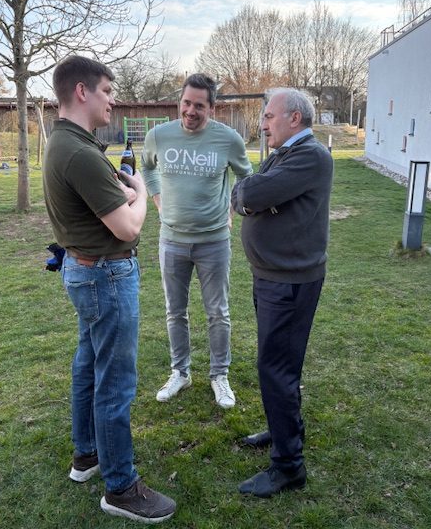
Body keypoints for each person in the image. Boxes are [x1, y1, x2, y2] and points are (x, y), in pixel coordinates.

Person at [42, 55, 176, 524]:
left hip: (85, 271)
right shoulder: (80, 152)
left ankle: (87, 455)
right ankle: (120, 487)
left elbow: (106, 209)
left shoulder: (64, 142)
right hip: (106, 276)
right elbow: (127, 228)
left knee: (88, 365)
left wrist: (125, 196)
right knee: (114, 382)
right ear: (82, 91)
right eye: (107, 91)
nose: (112, 100)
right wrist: (140, 194)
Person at [231, 87, 333, 497]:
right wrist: (255, 197)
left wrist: (256, 198)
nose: (262, 124)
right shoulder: (285, 154)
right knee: (279, 364)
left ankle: (289, 466)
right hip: (272, 277)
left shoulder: (311, 155)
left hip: (289, 282)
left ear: (294, 118)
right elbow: (247, 191)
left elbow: (250, 193)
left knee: (276, 368)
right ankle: (283, 430)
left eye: (269, 116)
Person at [141, 73, 253, 408]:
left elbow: (246, 178)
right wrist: (157, 199)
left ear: (211, 108)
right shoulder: (159, 136)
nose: (191, 111)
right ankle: (180, 372)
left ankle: (219, 375)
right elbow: (147, 168)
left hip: (214, 241)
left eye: (199, 106)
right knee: (174, 311)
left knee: (218, 312)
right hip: (171, 241)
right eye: (186, 103)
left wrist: (232, 209)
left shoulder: (228, 139)